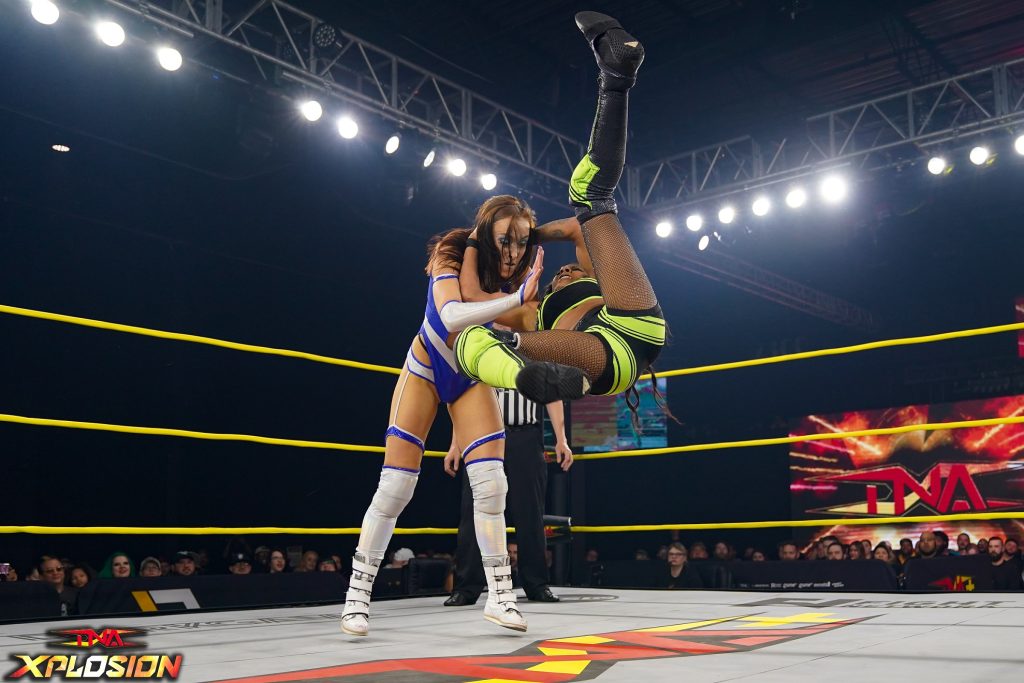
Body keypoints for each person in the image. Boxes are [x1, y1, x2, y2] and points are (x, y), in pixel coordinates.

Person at [340, 193, 548, 638]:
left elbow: (531, 323)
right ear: (486, 233)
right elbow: (451, 315)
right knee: (395, 486)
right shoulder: (451, 250)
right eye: (505, 240)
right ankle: (356, 598)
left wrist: (578, 310)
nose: (513, 251)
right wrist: (514, 298)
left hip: (469, 376)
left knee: (492, 484)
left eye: (521, 242)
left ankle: (501, 596)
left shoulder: (516, 274)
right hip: (425, 367)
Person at [454, 12, 665, 412]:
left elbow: (575, 228)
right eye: (563, 272)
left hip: (628, 321)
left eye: (569, 270)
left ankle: (616, 76)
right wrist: (475, 243)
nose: (566, 269)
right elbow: (469, 300)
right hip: (603, 354)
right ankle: (526, 375)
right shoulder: (530, 311)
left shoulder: (597, 280)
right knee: (470, 334)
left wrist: (530, 236)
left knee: (589, 195)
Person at [444, 383, 571, 607]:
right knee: (473, 511)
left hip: (526, 436)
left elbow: (552, 394)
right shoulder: (479, 360)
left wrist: (562, 440)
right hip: (482, 436)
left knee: (531, 513)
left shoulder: (535, 360)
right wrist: (455, 444)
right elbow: (463, 396)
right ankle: (465, 587)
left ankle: (537, 584)